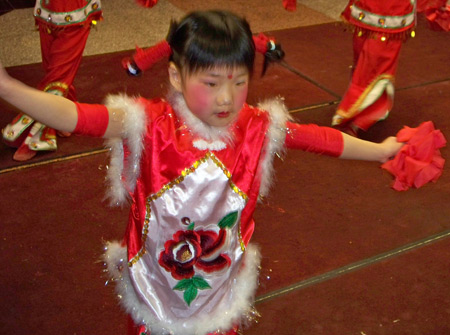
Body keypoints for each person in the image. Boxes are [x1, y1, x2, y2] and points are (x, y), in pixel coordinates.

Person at [0, 10, 403, 335]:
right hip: (154, 289)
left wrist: (380, 151)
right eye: (211, 83)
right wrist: (8, 88)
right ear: (177, 76)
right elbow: (77, 117)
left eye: (239, 82)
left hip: (218, 294)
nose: (226, 98)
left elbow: (323, 140)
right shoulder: (148, 124)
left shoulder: (258, 127)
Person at [1, 0, 102, 161]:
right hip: (47, 14)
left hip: (74, 17)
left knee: (57, 79)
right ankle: (64, 118)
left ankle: (34, 139)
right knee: (53, 72)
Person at [332, 0, 450, 137]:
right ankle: (373, 108)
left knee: (373, 65)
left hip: (393, 13)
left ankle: (355, 118)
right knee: (362, 61)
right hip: (366, 9)